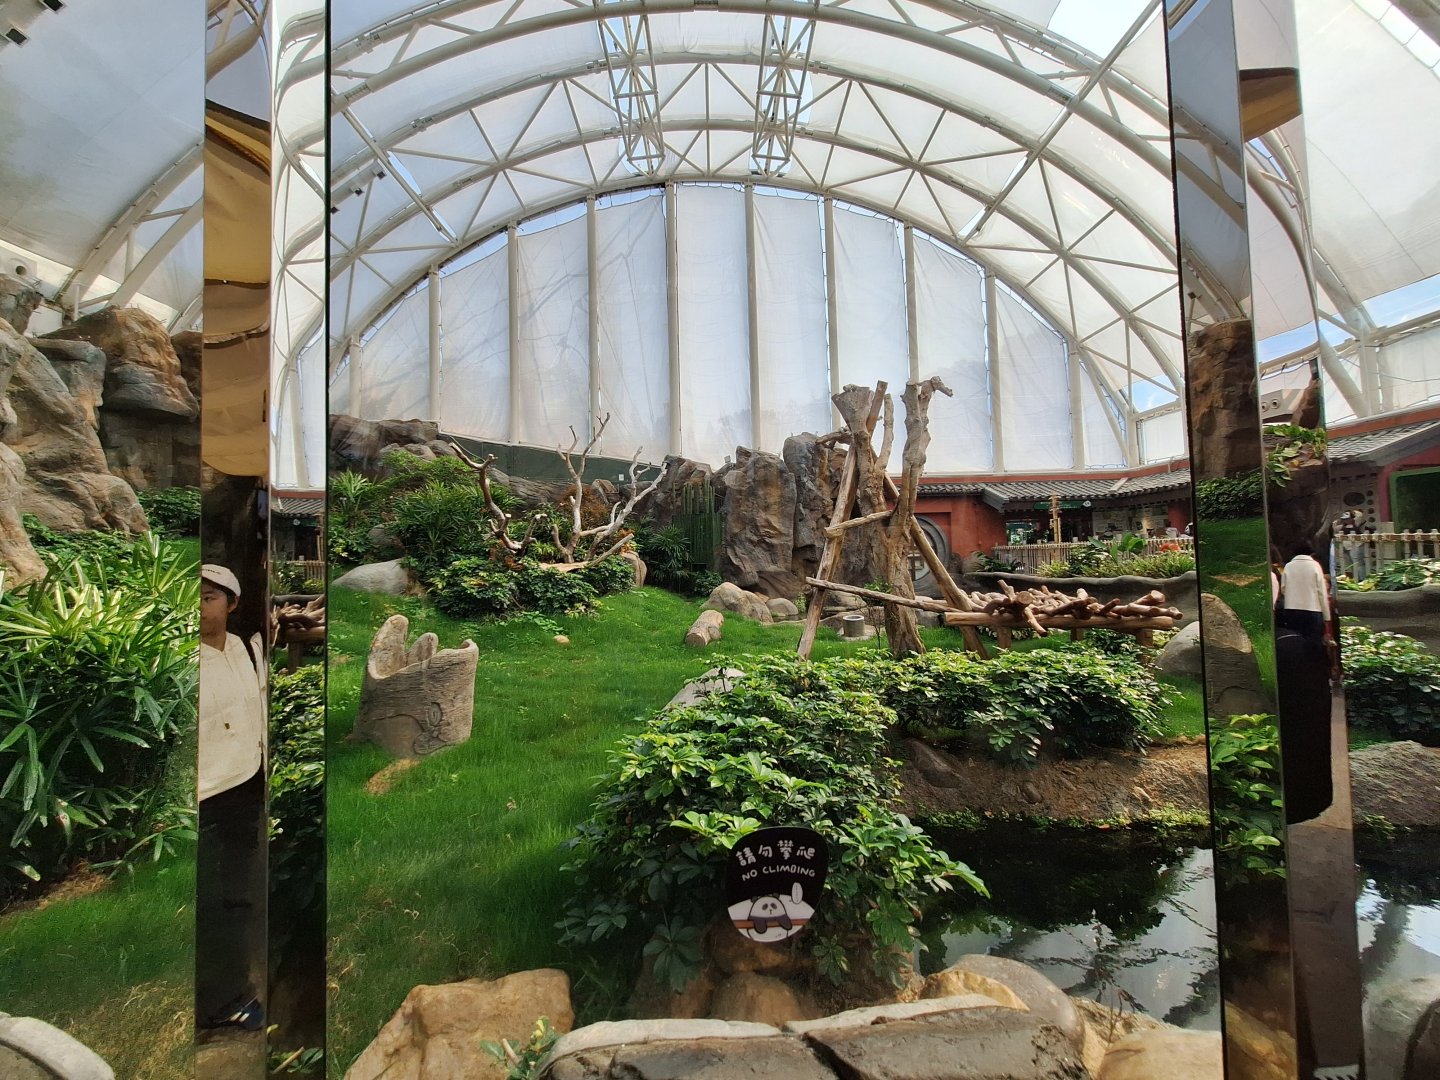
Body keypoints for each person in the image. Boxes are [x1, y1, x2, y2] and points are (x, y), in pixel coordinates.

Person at [196, 564, 267, 1034]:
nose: (199, 607)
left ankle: (233, 991)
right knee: (208, 902)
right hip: (206, 792)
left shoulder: (243, 647)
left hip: (246, 781)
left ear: (232, 603)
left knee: (236, 895)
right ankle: (223, 999)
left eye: (208, 598)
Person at [1279, 544, 1330, 642]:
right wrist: (1327, 616)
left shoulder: (1288, 566)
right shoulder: (1315, 566)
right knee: (1313, 642)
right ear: (1311, 553)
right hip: (1313, 610)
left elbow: (1283, 588)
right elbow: (1322, 593)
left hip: (1292, 610)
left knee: (1295, 640)